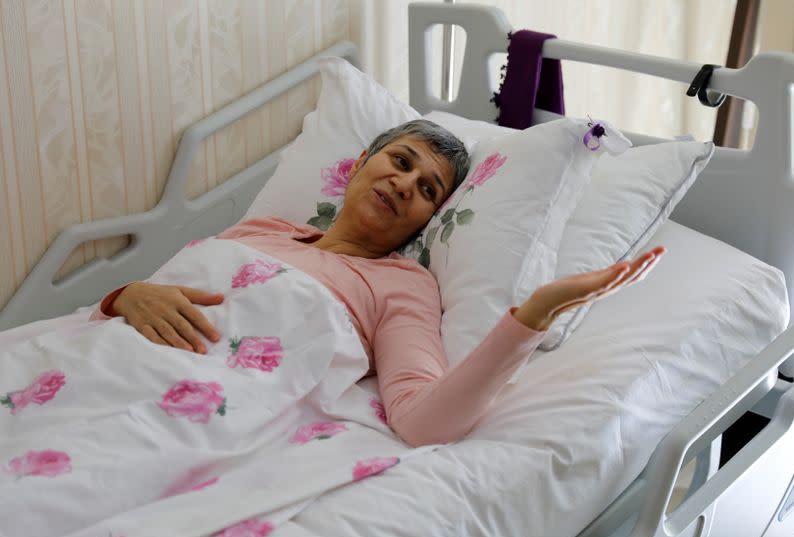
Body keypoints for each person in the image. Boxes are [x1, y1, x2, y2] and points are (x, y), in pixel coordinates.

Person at [93, 120, 665, 447]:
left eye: (428, 188)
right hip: (101, 359)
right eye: (400, 159)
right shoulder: (264, 228)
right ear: (362, 161)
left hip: (186, 413)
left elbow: (422, 419)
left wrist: (537, 311)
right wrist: (126, 294)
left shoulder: (402, 286)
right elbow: (164, 293)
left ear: (429, 219)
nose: (405, 181)